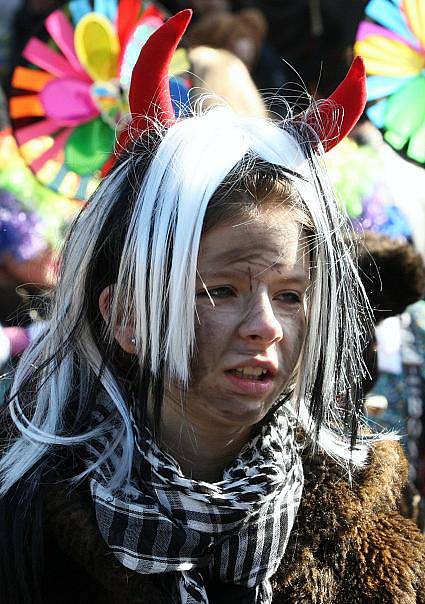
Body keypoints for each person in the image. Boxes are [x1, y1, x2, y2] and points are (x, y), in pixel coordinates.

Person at [0, 10, 424, 604]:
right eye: (219, 291)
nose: (266, 327)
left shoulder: (362, 523)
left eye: (291, 295)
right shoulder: (25, 518)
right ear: (126, 315)